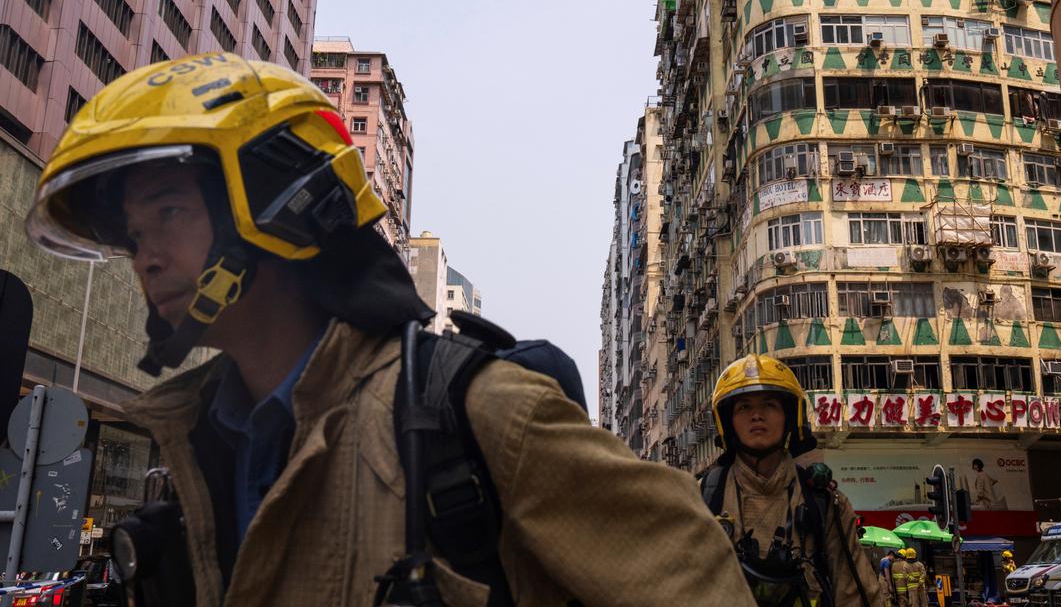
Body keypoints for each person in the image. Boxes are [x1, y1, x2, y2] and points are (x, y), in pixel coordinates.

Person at [25, 54, 759, 607]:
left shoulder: (475, 412)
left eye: (170, 213)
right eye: (132, 233)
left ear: (282, 203)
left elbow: (696, 574)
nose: (146, 257)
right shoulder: (195, 443)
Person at [700, 354, 881, 606]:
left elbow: (855, 592)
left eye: (769, 405)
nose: (757, 416)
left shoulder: (824, 501)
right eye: (744, 407)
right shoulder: (703, 498)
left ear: (790, 416)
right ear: (727, 422)